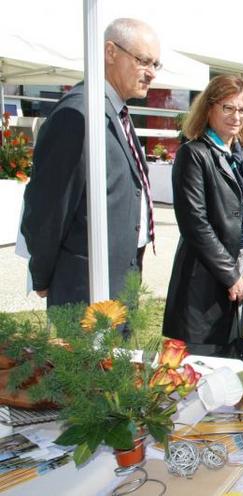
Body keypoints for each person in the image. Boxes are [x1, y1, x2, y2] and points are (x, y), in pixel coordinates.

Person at [21, 18, 160, 307]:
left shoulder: (115, 110)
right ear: (110, 52)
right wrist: (43, 274)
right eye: (144, 61)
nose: (151, 74)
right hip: (84, 286)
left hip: (120, 279)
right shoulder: (79, 113)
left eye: (155, 65)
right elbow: (49, 206)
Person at [162, 75, 243, 357]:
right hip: (203, 281)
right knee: (199, 372)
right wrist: (230, 273)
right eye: (228, 108)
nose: (236, 116)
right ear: (209, 108)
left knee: (232, 373)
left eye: (242, 110)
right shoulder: (193, 154)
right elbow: (194, 223)